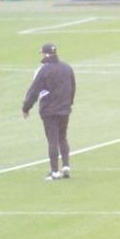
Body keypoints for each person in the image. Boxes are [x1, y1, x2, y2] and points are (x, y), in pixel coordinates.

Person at [22, 42, 76, 180]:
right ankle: (66, 166)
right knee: (63, 137)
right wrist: (69, 103)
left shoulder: (44, 70)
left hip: (49, 110)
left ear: (46, 54)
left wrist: (26, 107)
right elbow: (72, 87)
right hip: (64, 109)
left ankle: (54, 171)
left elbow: (34, 90)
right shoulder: (67, 68)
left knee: (52, 140)